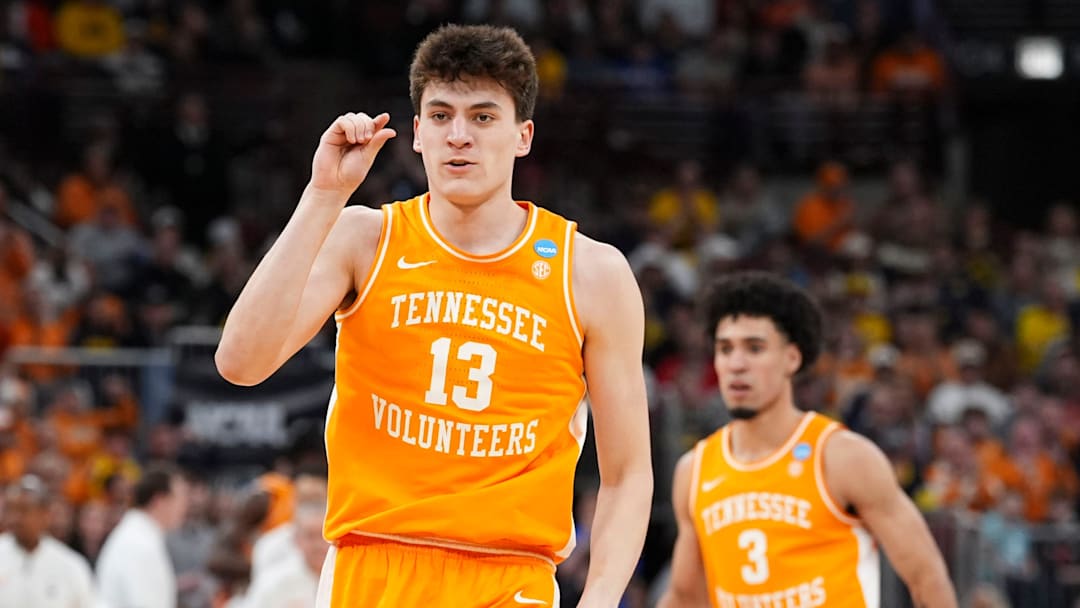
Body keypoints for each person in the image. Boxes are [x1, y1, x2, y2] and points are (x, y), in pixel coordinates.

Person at [215, 24, 653, 607]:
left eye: (483, 117)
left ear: (523, 136)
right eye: (441, 116)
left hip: (510, 575)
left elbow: (627, 474)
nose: (460, 136)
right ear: (416, 134)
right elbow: (240, 363)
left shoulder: (592, 273)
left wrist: (598, 602)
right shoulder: (364, 237)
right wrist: (323, 195)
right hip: (372, 567)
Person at [658, 271, 956, 608]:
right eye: (725, 349)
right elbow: (685, 597)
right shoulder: (695, 470)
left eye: (755, 348)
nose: (736, 364)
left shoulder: (842, 456)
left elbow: (926, 575)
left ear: (792, 358)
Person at [96, 464, 190, 608]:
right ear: (160, 500)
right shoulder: (138, 543)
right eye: (181, 498)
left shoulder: (138, 535)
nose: (185, 507)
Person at [0, 475, 98, 607]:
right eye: (11, 510)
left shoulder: (70, 565)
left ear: (45, 514)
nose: (16, 518)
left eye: (24, 510)